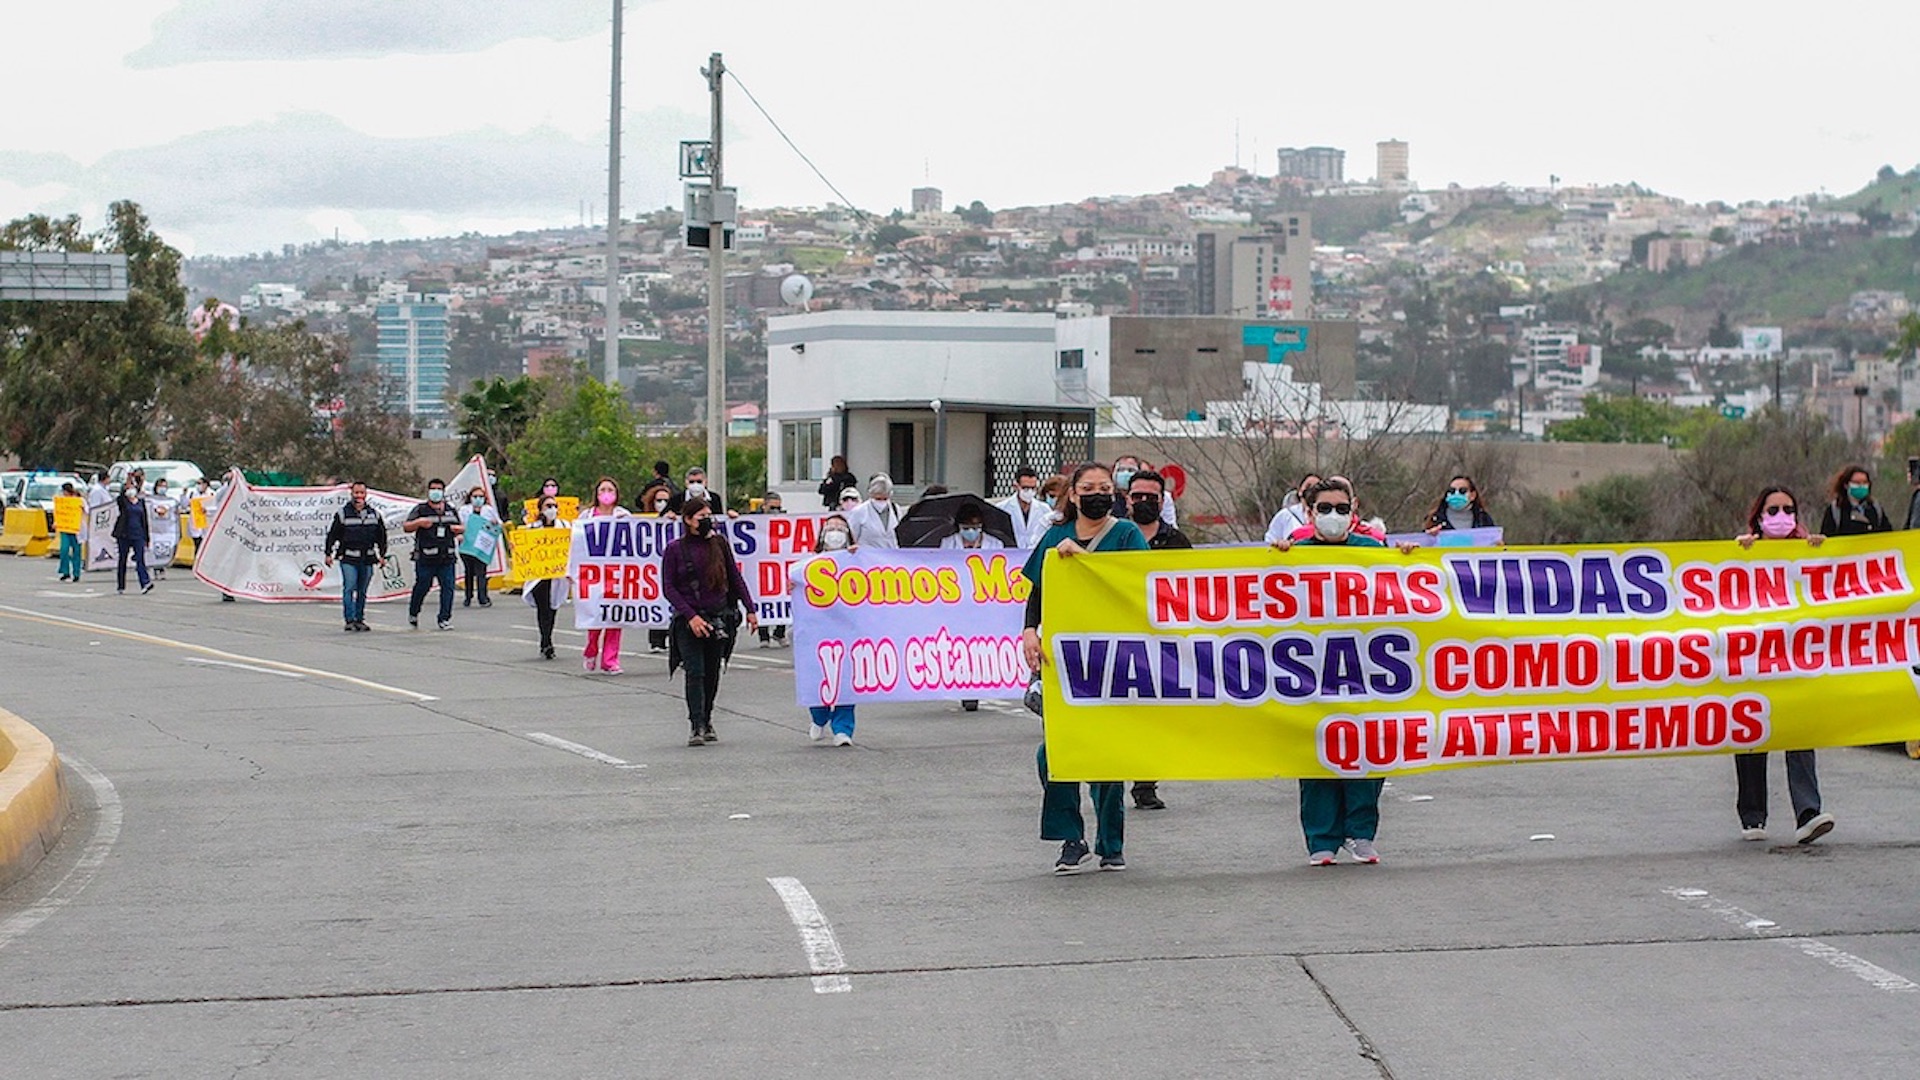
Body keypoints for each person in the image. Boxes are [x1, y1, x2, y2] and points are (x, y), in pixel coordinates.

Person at [1272, 479, 1417, 866]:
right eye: (1324, 508)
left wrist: (1407, 558)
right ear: (1308, 511)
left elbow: (1406, 594)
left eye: (1340, 507)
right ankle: (1321, 839)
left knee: (1366, 751)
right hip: (1311, 670)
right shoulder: (1294, 553)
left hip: (1366, 668)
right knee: (1316, 752)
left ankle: (1361, 834)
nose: (1333, 515)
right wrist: (1276, 558)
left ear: (1353, 509)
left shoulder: (1373, 552)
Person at [1022, 462, 1148, 873]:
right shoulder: (1054, 536)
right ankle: (1069, 838)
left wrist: (1087, 563)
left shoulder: (1126, 535)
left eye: (1105, 487)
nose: (1097, 493)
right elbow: (1038, 591)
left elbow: (1138, 585)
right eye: (1089, 487)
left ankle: (1111, 841)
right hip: (1063, 659)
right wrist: (1029, 632)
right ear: (1073, 495)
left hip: (1113, 658)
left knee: (1107, 755)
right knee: (1054, 754)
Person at [1734, 486, 1836, 844]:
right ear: (1759, 516)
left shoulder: (1809, 551)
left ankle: (1808, 813)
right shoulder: (1742, 551)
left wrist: (1826, 553)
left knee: (1800, 731)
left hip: (1795, 660)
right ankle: (1752, 815)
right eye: (1773, 510)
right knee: (1751, 733)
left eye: (1788, 509)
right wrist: (1738, 552)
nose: (1781, 516)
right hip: (1753, 658)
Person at [662, 497, 759, 745]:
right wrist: (691, 616)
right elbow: (669, 587)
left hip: (719, 616)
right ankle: (695, 724)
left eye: (709, 516)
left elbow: (734, 577)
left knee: (712, 672)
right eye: (700, 517)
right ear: (688, 520)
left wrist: (750, 608)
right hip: (689, 620)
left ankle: (707, 719)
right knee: (695, 671)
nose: (706, 521)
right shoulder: (675, 549)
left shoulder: (719, 543)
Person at [1124, 469, 1192, 811]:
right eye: (1138, 496)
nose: (1144, 502)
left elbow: (1191, 589)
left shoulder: (1176, 541)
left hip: (1160, 637)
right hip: (1117, 634)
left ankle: (1146, 782)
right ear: (1127, 499)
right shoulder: (1111, 538)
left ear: (1162, 501)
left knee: (1153, 710)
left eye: (1152, 497)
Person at [796, 515, 859, 744]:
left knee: (845, 680)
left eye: (840, 528)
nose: (834, 531)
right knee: (817, 678)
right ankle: (819, 717)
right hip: (816, 631)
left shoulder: (856, 560)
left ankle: (843, 729)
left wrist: (860, 557)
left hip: (846, 630)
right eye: (830, 527)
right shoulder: (808, 563)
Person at [943, 503, 1007, 713]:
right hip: (958, 604)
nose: (971, 532)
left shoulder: (995, 544)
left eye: (976, 527)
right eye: (966, 527)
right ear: (958, 527)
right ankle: (966, 687)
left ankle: (978, 684)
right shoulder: (947, 544)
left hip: (986, 603)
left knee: (982, 644)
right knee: (962, 645)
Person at [324, 481, 388, 632]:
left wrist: (382, 555)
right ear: (351, 494)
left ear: (366, 495)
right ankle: (349, 619)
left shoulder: (374, 514)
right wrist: (328, 554)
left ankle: (359, 619)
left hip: (367, 558)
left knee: (362, 590)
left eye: (362, 493)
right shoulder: (343, 514)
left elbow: (381, 537)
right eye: (356, 493)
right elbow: (332, 535)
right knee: (349, 587)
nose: (359, 496)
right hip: (348, 557)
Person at [582, 477, 631, 672]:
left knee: (615, 617)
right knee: (595, 617)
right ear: (596, 493)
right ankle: (591, 650)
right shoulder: (586, 517)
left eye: (610, 489)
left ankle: (610, 660)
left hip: (617, 574)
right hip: (593, 575)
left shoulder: (624, 515)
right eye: (603, 489)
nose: (606, 492)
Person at [403, 479, 463, 630]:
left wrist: (459, 530)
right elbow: (406, 526)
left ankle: (444, 618)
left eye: (439, 489)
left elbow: (461, 526)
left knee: (448, 587)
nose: (436, 492)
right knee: (423, 586)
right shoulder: (420, 510)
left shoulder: (450, 509)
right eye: (433, 489)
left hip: (446, 557)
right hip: (426, 558)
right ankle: (414, 612)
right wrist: (419, 523)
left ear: (443, 492)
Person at [523, 494, 568, 659]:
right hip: (539, 576)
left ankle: (547, 640)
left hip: (557, 575)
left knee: (553, 607)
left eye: (554, 506)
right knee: (544, 608)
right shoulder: (532, 528)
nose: (552, 509)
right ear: (541, 509)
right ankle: (546, 642)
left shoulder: (564, 526)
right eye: (548, 506)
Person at [457, 484, 501, 608]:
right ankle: (468, 596)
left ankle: (483, 597)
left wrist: (495, 523)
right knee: (469, 572)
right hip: (467, 545)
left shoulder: (489, 510)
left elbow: (499, 525)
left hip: (482, 546)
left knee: (481, 572)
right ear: (470, 497)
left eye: (481, 496)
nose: (478, 499)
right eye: (475, 496)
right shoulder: (464, 510)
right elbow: (458, 525)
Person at [1819, 464, 1894, 537]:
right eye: (1857, 482)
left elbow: (1888, 535)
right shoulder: (1836, 510)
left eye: (1865, 482)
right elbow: (1826, 538)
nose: (1861, 486)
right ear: (1846, 485)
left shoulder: (1875, 508)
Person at [757, 491, 790, 649]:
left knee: (782, 595)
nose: (775, 511)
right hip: (760, 563)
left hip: (778, 562)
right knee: (761, 597)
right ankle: (763, 635)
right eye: (772, 508)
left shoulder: (784, 519)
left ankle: (780, 631)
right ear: (764, 506)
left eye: (778, 508)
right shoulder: (753, 519)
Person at [112, 475, 153, 595]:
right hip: (124, 534)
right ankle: (121, 585)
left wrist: (146, 537)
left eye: (132, 487)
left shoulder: (140, 502)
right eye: (128, 487)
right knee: (122, 560)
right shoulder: (123, 502)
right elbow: (120, 499)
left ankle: (145, 582)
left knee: (140, 559)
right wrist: (127, 481)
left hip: (138, 534)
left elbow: (144, 520)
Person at [1424, 474, 1497, 534]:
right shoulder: (1434, 519)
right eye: (1452, 491)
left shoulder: (1483, 519)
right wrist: (1429, 537)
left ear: (1473, 495)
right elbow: (1421, 545)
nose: (1456, 494)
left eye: (1462, 491)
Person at [1264, 473, 1322, 546]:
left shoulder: (1325, 515)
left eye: (1316, 487)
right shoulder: (1285, 515)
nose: (1312, 490)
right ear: (1300, 491)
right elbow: (1270, 540)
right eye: (1308, 486)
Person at [995, 467, 1046, 549]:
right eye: (1025, 488)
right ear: (1016, 486)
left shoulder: (1044, 509)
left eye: (1033, 488)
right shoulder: (1002, 508)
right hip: (1012, 555)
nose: (1029, 492)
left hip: (1035, 555)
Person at [848, 473, 901, 549]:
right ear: (871, 495)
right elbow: (852, 538)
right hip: (868, 557)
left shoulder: (896, 510)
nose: (881, 502)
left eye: (885, 499)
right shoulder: (859, 511)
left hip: (891, 557)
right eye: (878, 499)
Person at [1027, 475, 1069, 548]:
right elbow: (1035, 545)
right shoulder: (1047, 518)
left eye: (1053, 496)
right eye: (1050, 496)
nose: (1053, 499)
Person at [55, 481, 83, 582]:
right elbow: (59, 513)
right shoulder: (63, 501)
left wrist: (82, 507)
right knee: (64, 549)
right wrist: (56, 522)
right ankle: (65, 571)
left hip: (76, 529)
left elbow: (87, 511)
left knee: (76, 551)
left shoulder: (79, 500)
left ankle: (76, 573)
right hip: (65, 528)